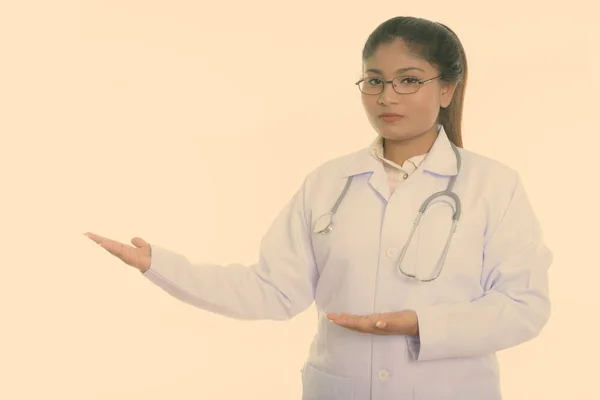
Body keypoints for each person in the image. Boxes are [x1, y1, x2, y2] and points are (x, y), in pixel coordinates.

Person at [84, 16, 552, 400]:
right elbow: (271, 290)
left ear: (446, 90)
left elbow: (524, 307)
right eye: (374, 81)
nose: (387, 96)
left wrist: (420, 325)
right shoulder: (328, 183)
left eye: (409, 81)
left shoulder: (494, 186)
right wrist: (160, 265)